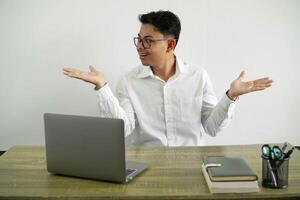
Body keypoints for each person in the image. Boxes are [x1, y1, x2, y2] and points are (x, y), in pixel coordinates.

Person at [63, 10, 273, 146]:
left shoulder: (198, 76)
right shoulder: (128, 81)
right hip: (146, 166)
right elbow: (122, 130)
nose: (139, 47)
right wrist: (102, 87)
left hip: (192, 165)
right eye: (138, 40)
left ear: (170, 45)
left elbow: (212, 127)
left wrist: (230, 97)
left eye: (147, 41)